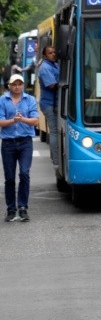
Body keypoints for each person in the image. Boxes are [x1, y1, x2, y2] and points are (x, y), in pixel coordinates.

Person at [1, 74, 40, 222]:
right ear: (10, 86)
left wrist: (22, 119)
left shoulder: (29, 100)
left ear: (23, 85)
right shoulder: (2, 100)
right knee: (9, 177)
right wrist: (13, 120)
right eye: (14, 84)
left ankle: (23, 207)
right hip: (8, 143)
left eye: (20, 84)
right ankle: (11, 209)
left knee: (24, 173)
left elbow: (35, 120)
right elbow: (0, 121)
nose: (17, 87)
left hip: (25, 143)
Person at [37, 45, 60, 172]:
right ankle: (56, 162)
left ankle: (56, 157)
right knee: (55, 131)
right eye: (50, 53)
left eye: (54, 52)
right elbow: (52, 86)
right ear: (45, 55)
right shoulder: (45, 68)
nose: (53, 54)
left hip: (55, 103)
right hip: (49, 104)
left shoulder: (55, 65)